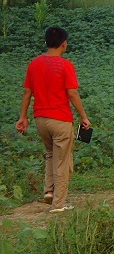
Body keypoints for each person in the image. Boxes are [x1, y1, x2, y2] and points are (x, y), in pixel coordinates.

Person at [16, 26, 91, 213]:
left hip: (40, 119)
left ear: (46, 42)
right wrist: (83, 116)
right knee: (63, 162)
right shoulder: (66, 65)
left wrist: (23, 117)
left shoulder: (34, 64)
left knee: (50, 154)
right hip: (60, 119)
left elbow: (27, 92)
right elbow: (72, 93)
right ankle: (58, 205)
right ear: (64, 44)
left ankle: (49, 191)